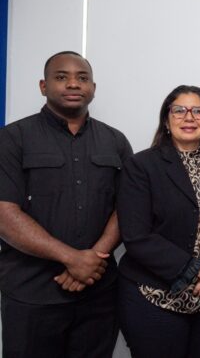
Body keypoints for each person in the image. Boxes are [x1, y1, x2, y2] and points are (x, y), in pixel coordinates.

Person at [0, 51, 132, 358]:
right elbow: (4, 214)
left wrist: (92, 260)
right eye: (62, 77)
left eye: (82, 78)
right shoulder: (13, 139)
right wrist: (72, 258)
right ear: (43, 86)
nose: (73, 84)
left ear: (93, 88)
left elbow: (127, 208)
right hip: (31, 293)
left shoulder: (115, 141)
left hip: (98, 294)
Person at [117, 85, 200, 358]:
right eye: (179, 110)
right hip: (154, 297)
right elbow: (137, 236)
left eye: (198, 111)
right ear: (166, 120)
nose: (189, 117)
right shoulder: (141, 166)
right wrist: (198, 270)